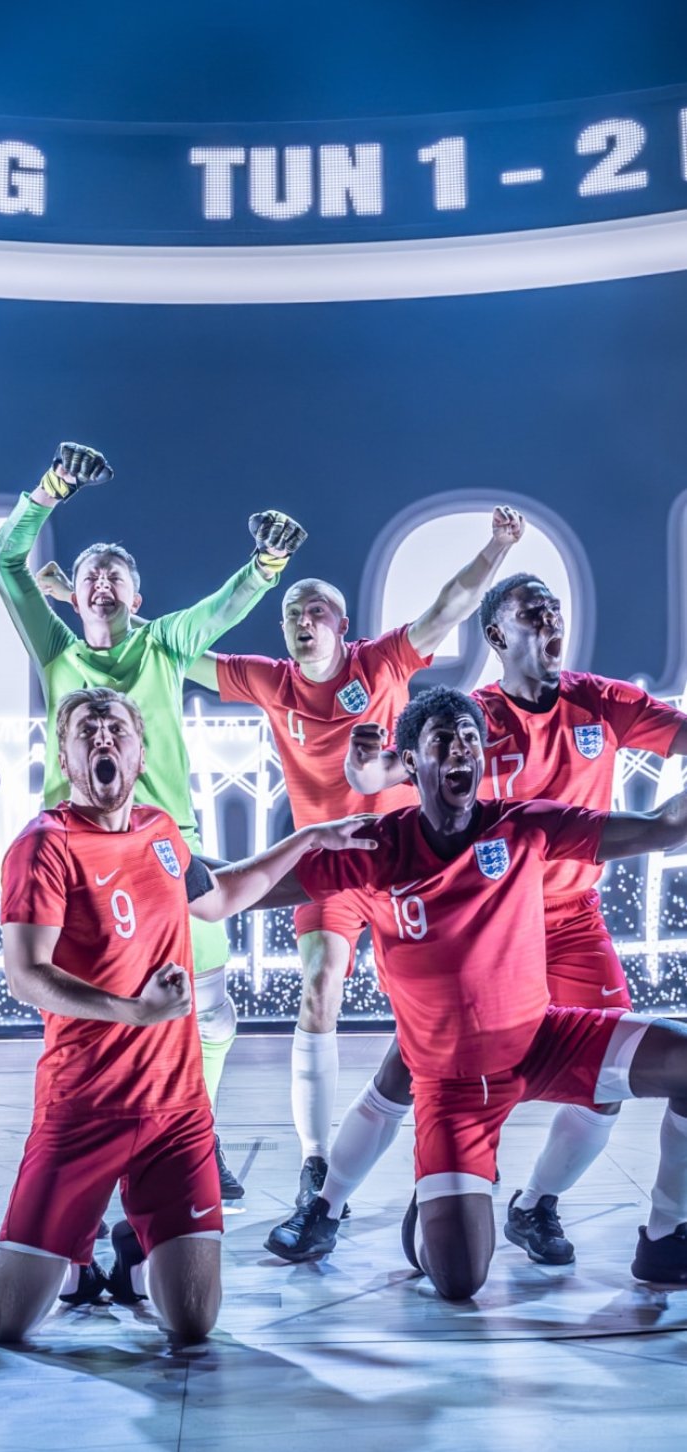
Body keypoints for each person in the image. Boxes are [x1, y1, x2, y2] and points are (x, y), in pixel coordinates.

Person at [276, 574, 687, 1269]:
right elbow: (381, 776)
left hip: (572, 920)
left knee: (610, 1087)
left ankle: (540, 1204)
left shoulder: (601, 701)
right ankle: (330, 1205)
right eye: (534, 613)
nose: (551, 621)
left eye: (555, 611)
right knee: (407, 1072)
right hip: (481, 919)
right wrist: (361, 770)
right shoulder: (475, 720)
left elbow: (676, 760)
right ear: (498, 634)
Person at [0, 685, 375, 1344]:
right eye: (87, 731)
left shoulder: (160, 831)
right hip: (82, 1108)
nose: (103, 738)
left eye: (117, 730)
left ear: (140, 756)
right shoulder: (43, 845)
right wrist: (134, 1012)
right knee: (7, 1326)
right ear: (65, 756)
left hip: (177, 1112)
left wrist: (309, 840)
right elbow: (26, 975)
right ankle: (76, 1260)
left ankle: (134, 1249)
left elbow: (220, 897)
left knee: (193, 1322)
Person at [182, 508, 524, 1239]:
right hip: (332, 868)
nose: (301, 622)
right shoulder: (270, 681)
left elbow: (451, 605)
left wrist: (495, 546)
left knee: (440, 1010)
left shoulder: (381, 663)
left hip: (407, 861)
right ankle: (316, 1160)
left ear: (342, 624)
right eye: (290, 615)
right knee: (320, 985)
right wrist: (89, 609)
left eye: (314, 611)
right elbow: (173, 652)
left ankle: (463, 1158)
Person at [0, 442, 305, 1198]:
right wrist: (51, 489)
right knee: (87, 1008)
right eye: (90, 574)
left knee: (212, 1011)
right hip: (80, 856)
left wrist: (265, 565)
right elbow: (5, 561)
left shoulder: (164, 643)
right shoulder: (56, 651)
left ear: (138, 594)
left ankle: (194, 1131)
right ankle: (86, 1153)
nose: (102, 581)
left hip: (168, 850)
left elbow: (221, 608)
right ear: (74, 598)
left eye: (116, 574)